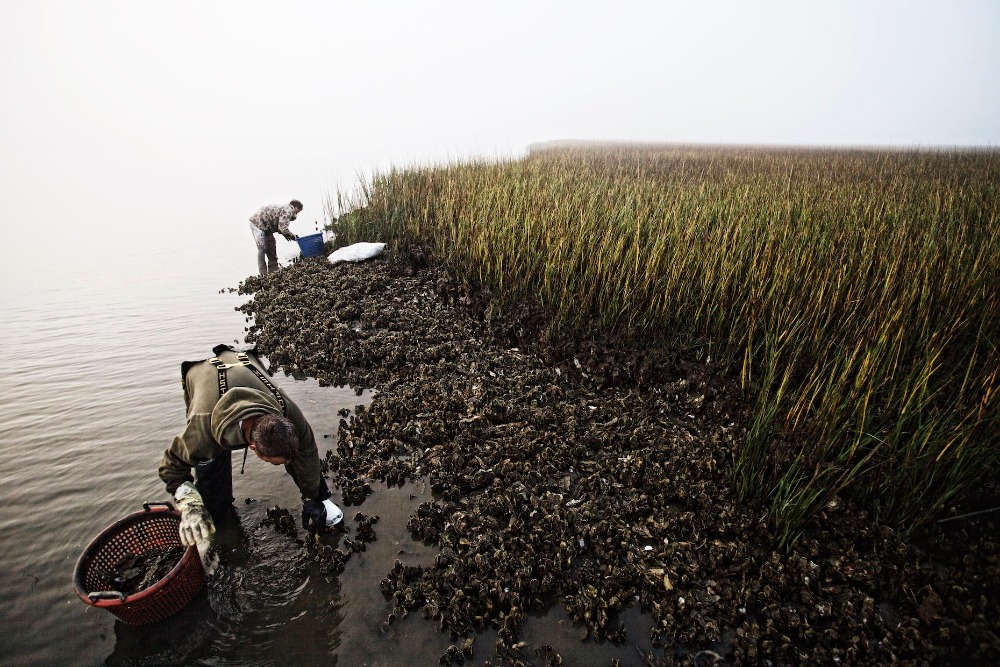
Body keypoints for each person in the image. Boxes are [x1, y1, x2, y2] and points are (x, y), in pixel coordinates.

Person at [159, 344, 341, 546]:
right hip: (202, 375)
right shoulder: (203, 429)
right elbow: (171, 467)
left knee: (299, 461)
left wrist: (313, 496)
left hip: (241, 361)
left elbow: (307, 452)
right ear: (253, 448)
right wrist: (191, 506)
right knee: (211, 475)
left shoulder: (285, 408)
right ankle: (223, 533)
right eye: (275, 463)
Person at [249, 199, 303, 276]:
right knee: (262, 248)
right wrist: (292, 236)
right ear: (296, 207)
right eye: (298, 211)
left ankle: (273, 271)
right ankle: (263, 274)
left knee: (271, 247)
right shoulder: (288, 210)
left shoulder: (286, 210)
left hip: (267, 227)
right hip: (257, 223)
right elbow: (282, 228)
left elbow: (279, 226)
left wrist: (286, 235)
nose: (297, 214)